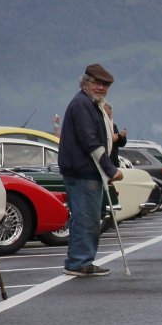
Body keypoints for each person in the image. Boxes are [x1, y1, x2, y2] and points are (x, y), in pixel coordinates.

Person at [55, 63, 126, 277]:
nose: (101, 88)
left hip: (85, 171)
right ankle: (79, 262)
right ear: (85, 83)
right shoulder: (83, 105)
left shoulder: (88, 103)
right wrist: (110, 170)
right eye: (97, 83)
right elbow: (90, 142)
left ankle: (80, 260)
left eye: (105, 85)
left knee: (84, 218)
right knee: (86, 219)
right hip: (82, 172)